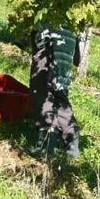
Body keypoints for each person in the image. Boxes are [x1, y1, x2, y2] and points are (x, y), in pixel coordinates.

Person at [29, 23, 82, 158]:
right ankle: (72, 146)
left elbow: (39, 43)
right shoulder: (72, 29)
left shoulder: (47, 23)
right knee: (61, 103)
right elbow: (77, 60)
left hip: (46, 70)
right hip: (63, 73)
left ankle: (45, 146)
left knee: (44, 99)